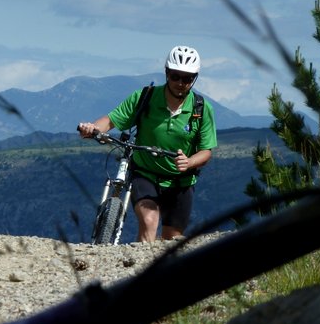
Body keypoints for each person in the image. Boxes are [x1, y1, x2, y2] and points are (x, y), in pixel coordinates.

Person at [77, 45, 218, 242]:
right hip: (146, 174)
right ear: (167, 73)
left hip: (181, 182)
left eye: (187, 78)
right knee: (149, 220)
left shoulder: (201, 109)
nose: (180, 83)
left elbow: (206, 151)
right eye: (176, 76)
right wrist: (91, 128)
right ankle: (141, 269)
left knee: (171, 241)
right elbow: (111, 120)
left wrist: (190, 162)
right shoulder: (146, 97)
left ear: (194, 79)